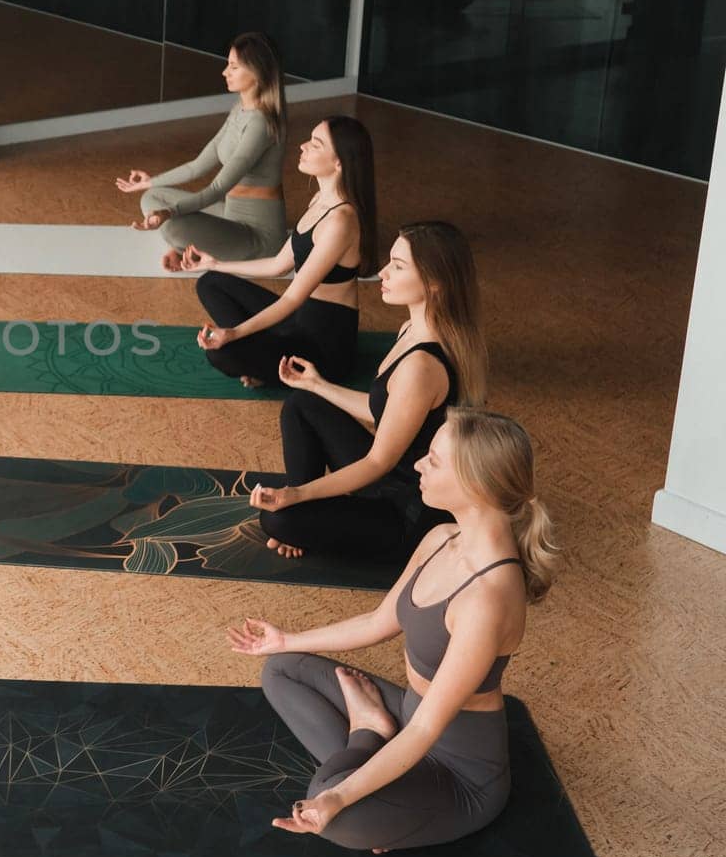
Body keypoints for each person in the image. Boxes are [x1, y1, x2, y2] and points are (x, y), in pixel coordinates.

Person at [230, 408, 558, 852]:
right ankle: (373, 740)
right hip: (409, 716)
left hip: (460, 775)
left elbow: (425, 732)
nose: (419, 464)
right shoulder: (442, 537)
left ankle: (367, 732)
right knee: (281, 670)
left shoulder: (488, 598)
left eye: (434, 460)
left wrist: (337, 798)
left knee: (334, 818)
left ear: (475, 485)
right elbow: (378, 621)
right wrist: (285, 640)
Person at [250, 221, 487, 562]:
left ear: (434, 284)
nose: (382, 273)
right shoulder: (412, 330)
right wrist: (318, 385)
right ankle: (308, 514)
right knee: (302, 403)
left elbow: (377, 461)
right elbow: (387, 414)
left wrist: (296, 495)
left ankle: (303, 516)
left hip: (409, 510)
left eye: (398, 266)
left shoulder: (422, 366)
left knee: (276, 519)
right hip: (392, 477)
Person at [182, 115, 377, 387]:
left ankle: (266, 363)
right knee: (211, 283)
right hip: (296, 321)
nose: (303, 147)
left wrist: (234, 333)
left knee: (222, 355)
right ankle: (263, 355)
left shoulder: (341, 221)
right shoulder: (319, 199)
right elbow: (277, 264)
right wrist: (215, 264)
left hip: (324, 349)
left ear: (339, 162)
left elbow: (291, 299)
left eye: (316, 144)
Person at [114, 32, 288, 263]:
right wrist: (150, 181)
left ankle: (186, 245)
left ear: (257, 72)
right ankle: (194, 244)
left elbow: (216, 188)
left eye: (233, 67)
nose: (225, 72)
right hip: (229, 213)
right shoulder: (239, 110)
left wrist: (169, 213)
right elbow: (197, 166)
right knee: (153, 196)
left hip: (256, 237)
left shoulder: (261, 123)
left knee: (172, 226)